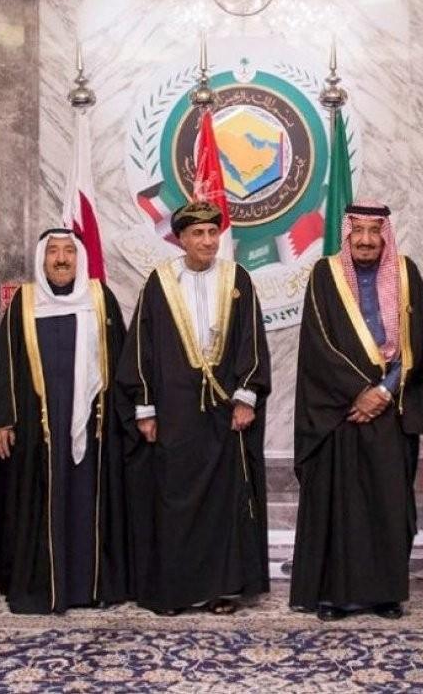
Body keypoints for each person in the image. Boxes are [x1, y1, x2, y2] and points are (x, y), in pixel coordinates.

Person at [116, 201, 271, 616]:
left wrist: (247, 397)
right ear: (181, 239)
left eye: (212, 233)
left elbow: (252, 341)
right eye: (197, 234)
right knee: (174, 499)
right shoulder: (160, 283)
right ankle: (175, 592)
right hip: (175, 412)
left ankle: (222, 589)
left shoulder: (237, 278)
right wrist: (145, 408)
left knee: (223, 501)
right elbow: (142, 347)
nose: (207, 241)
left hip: (224, 412)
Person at [288, 201, 423, 621]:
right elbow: (318, 344)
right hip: (340, 411)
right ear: (347, 234)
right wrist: (359, 392)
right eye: (359, 231)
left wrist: (385, 391)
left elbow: (420, 338)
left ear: (385, 236)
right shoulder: (326, 274)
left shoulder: (405, 273)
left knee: (387, 504)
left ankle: (385, 594)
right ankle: (335, 596)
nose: (366, 240)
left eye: (375, 231)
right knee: (340, 506)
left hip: (390, 408)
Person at [0, 229, 129, 613]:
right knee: (45, 501)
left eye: (68, 251)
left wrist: (129, 418)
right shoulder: (24, 302)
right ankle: (47, 587)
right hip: (38, 427)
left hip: (94, 427)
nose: (62, 259)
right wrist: (2, 420)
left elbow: (122, 359)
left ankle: (91, 587)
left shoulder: (99, 298)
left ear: (79, 258)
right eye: (53, 252)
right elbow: (3, 363)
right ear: (41, 260)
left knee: (87, 501)